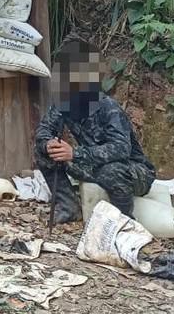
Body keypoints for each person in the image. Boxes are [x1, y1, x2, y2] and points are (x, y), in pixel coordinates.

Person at [34, 35, 156, 222]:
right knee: (43, 153)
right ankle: (68, 207)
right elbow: (43, 131)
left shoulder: (109, 107)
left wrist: (75, 154)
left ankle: (123, 223)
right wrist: (48, 144)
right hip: (93, 165)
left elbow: (121, 150)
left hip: (133, 171)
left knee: (112, 170)